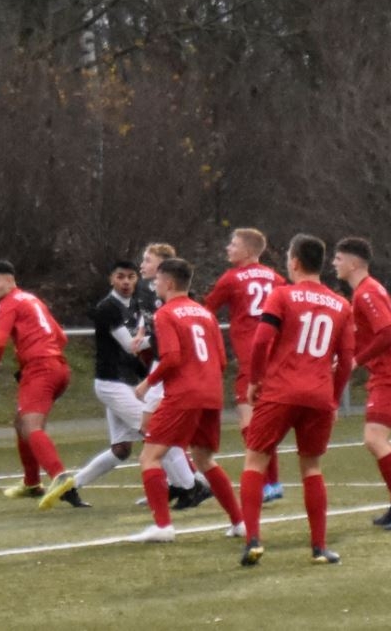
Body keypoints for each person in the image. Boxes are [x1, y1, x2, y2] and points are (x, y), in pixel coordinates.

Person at [240, 234, 354, 566]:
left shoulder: (282, 295)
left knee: (255, 461)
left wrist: (255, 380)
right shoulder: (341, 305)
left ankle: (253, 541)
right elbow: (346, 361)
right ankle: (319, 548)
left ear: (294, 262)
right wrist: (334, 398)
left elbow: (261, 341)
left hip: (280, 390)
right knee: (312, 467)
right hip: (318, 395)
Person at [54, 260, 197, 509]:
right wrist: (163, 335)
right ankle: (188, 487)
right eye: (120, 277)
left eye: (131, 277)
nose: (126, 282)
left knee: (121, 449)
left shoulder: (136, 305)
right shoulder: (108, 307)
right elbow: (130, 345)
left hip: (128, 382)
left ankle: (71, 487)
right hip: (112, 383)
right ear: (111, 279)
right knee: (156, 431)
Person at [128, 258, 245, 543]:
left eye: (157, 280)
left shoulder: (166, 313)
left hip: (184, 394)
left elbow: (171, 358)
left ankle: (163, 526)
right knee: (204, 459)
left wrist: (146, 383)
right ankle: (239, 522)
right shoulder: (206, 314)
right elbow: (221, 360)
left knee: (149, 457)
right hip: (211, 393)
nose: (154, 284)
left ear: (168, 283)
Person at [332, 237, 391, 531]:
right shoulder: (364, 292)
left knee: (374, 439)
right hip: (386, 371)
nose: (334, 263)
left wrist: (357, 360)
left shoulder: (367, 292)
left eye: (339, 258)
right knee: (374, 439)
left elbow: (388, 334)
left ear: (354, 263)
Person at [0, 261, 81, 509]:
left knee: (31, 426)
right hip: (58, 367)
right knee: (21, 422)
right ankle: (32, 483)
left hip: (41, 369)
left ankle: (60, 476)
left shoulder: (8, 303)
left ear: (10, 279)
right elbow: (61, 337)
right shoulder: (31, 300)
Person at [203, 228, 286, 503]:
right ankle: (272, 482)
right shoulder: (276, 278)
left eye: (233, 244)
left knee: (249, 423)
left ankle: (266, 482)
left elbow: (206, 310)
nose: (228, 248)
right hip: (275, 357)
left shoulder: (232, 278)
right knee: (262, 422)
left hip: (252, 359)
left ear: (249, 251)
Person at [132, 243, 204, 507]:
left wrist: (146, 341)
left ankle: (190, 486)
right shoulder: (145, 289)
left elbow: (172, 333)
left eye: (148, 260)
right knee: (149, 427)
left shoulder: (175, 297)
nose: (142, 265)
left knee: (155, 428)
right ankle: (179, 483)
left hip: (170, 367)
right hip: (160, 363)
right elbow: (148, 318)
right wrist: (142, 332)